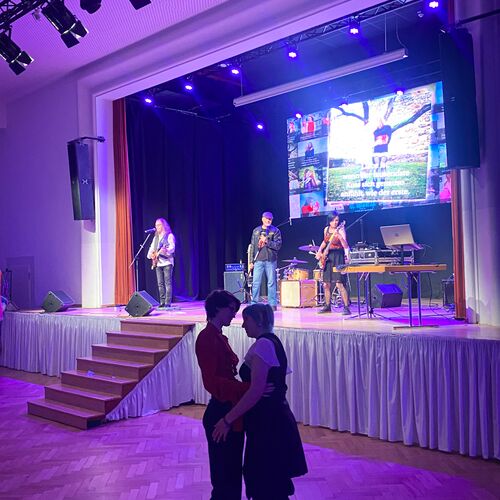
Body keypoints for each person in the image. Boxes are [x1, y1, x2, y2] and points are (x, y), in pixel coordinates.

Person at [212, 303, 308, 500]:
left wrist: (227, 420)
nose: (243, 325)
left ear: (258, 321)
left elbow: (256, 391)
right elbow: (269, 383)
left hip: (268, 424)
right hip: (272, 420)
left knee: (266, 482)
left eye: (246, 320)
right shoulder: (272, 341)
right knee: (270, 481)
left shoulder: (264, 345)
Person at [195, 290, 247, 500]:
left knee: (231, 472)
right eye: (231, 310)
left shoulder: (216, 336)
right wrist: (245, 389)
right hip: (221, 411)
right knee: (225, 475)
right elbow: (211, 382)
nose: (234, 315)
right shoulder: (207, 338)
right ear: (217, 309)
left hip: (227, 407)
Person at [315, 212, 351, 314]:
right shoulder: (326, 229)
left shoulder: (341, 229)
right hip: (328, 257)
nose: (335, 222)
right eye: (333, 220)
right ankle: (327, 306)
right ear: (329, 221)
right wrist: (319, 251)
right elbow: (325, 242)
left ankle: (346, 307)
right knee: (326, 284)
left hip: (338, 256)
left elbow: (345, 245)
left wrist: (339, 236)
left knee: (339, 283)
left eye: (337, 220)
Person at [249, 212, 282, 311]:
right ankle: (254, 303)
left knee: (271, 282)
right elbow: (252, 246)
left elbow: (278, 245)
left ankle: (272, 304)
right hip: (258, 260)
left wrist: (267, 241)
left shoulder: (275, 231)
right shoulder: (256, 231)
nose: (268, 220)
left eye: (270, 219)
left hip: (270, 260)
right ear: (262, 219)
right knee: (256, 282)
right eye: (267, 218)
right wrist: (251, 261)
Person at [146, 218, 175, 309]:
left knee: (167, 283)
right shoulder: (155, 238)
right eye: (156, 225)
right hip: (158, 263)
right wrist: (151, 255)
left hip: (167, 263)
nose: (156, 227)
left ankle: (167, 303)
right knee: (160, 284)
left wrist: (166, 250)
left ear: (163, 226)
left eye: (158, 225)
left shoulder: (169, 236)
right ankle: (162, 302)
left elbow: (172, 248)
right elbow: (150, 251)